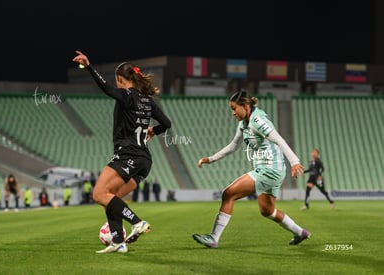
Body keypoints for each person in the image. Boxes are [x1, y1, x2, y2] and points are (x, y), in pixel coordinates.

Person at [72, 50, 172, 253]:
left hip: (128, 154)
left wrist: (90, 67)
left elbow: (106, 88)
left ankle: (137, 222)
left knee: (99, 194)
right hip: (144, 160)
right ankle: (118, 241)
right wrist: (153, 130)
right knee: (111, 197)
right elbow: (167, 123)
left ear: (120, 79)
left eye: (117, 81)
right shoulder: (146, 100)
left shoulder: (127, 95)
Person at [193, 91, 310, 248]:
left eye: (234, 108)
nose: (233, 113)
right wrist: (211, 159)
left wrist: (295, 161)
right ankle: (299, 232)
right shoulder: (244, 123)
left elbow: (279, 139)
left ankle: (214, 237)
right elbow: (234, 145)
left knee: (228, 194)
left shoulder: (258, 120)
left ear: (245, 106)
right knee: (267, 210)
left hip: (269, 169)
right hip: (273, 170)